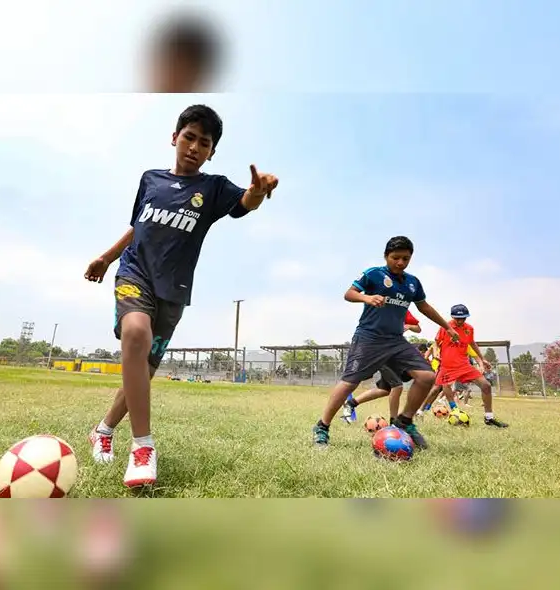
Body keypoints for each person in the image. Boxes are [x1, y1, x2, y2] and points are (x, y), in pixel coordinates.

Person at [84, 104, 279, 488]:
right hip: (133, 274)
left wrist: (256, 193)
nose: (194, 146)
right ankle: (142, 448)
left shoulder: (213, 187)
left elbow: (244, 203)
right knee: (135, 333)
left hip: (173, 291)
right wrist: (107, 258)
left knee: (145, 370)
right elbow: (137, 228)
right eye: (188, 137)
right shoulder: (150, 179)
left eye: (203, 143)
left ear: (211, 152)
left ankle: (103, 430)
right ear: (174, 138)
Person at [312, 236, 460, 450]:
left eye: (405, 258)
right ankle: (322, 427)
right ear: (386, 256)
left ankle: (405, 421)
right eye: (395, 258)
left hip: (395, 341)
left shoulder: (412, 282)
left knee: (427, 376)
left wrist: (447, 327)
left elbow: (424, 307)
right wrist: (367, 298)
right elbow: (349, 294)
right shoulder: (374, 274)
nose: (400, 262)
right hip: (369, 338)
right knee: (350, 382)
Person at [339, 312, 422, 423]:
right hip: (378, 352)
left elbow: (418, 329)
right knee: (397, 386)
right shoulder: (377, 310)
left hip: (394, 353)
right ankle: (394, 422)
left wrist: (409, 326)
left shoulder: (402, 309)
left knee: (384, 390)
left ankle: (350, 404)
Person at [434, 305, 509, 428]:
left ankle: (489, 418)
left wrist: (482, 359)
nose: (460, 321)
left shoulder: (469, 329)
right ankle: (454, 410)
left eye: (463, 318)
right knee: (445, 385)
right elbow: (436, 343)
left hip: (464, 365)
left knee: (486, 385)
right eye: (457, 318)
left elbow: (472, 343)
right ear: (452, 317)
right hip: (447, 364)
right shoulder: (445, 327)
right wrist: (437, 353)